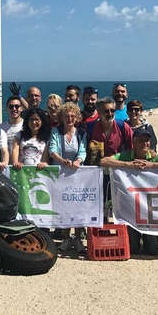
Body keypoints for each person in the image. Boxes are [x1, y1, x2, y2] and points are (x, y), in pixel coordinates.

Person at [102, 124, 158, 256]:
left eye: (147, 140)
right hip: (130, 208)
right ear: (133, 142)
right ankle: (135, 238)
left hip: (149, 210)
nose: (145, 143)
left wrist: (153, 165)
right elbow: (104, 161)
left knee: (152, 251)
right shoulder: (126, 155)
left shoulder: (154, 156)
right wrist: (127, 164)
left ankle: (149, 239)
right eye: (141, 140)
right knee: (133, 250)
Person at [49, 103, 87, 252]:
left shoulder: (81, 133)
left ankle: (77, 239)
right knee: (64, 208)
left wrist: (78, 161)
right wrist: (61, 160)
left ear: (76, 117)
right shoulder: (55, 131)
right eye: (66, 116)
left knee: (77, 207)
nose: (69, 119)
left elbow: (83, 151)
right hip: (60, 175)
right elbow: (52, 149)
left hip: (77, 175)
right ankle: (66, 238)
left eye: (72, 116)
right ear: (61, 118)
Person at [85, 97, 133, 165]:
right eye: (106, 111)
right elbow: (82, 150)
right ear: (98, 112)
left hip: (118, 168)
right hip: (96, 170)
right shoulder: (90, 128)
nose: (110, 114)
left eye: (112, 110)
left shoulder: (123, 127)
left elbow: (133, 148)